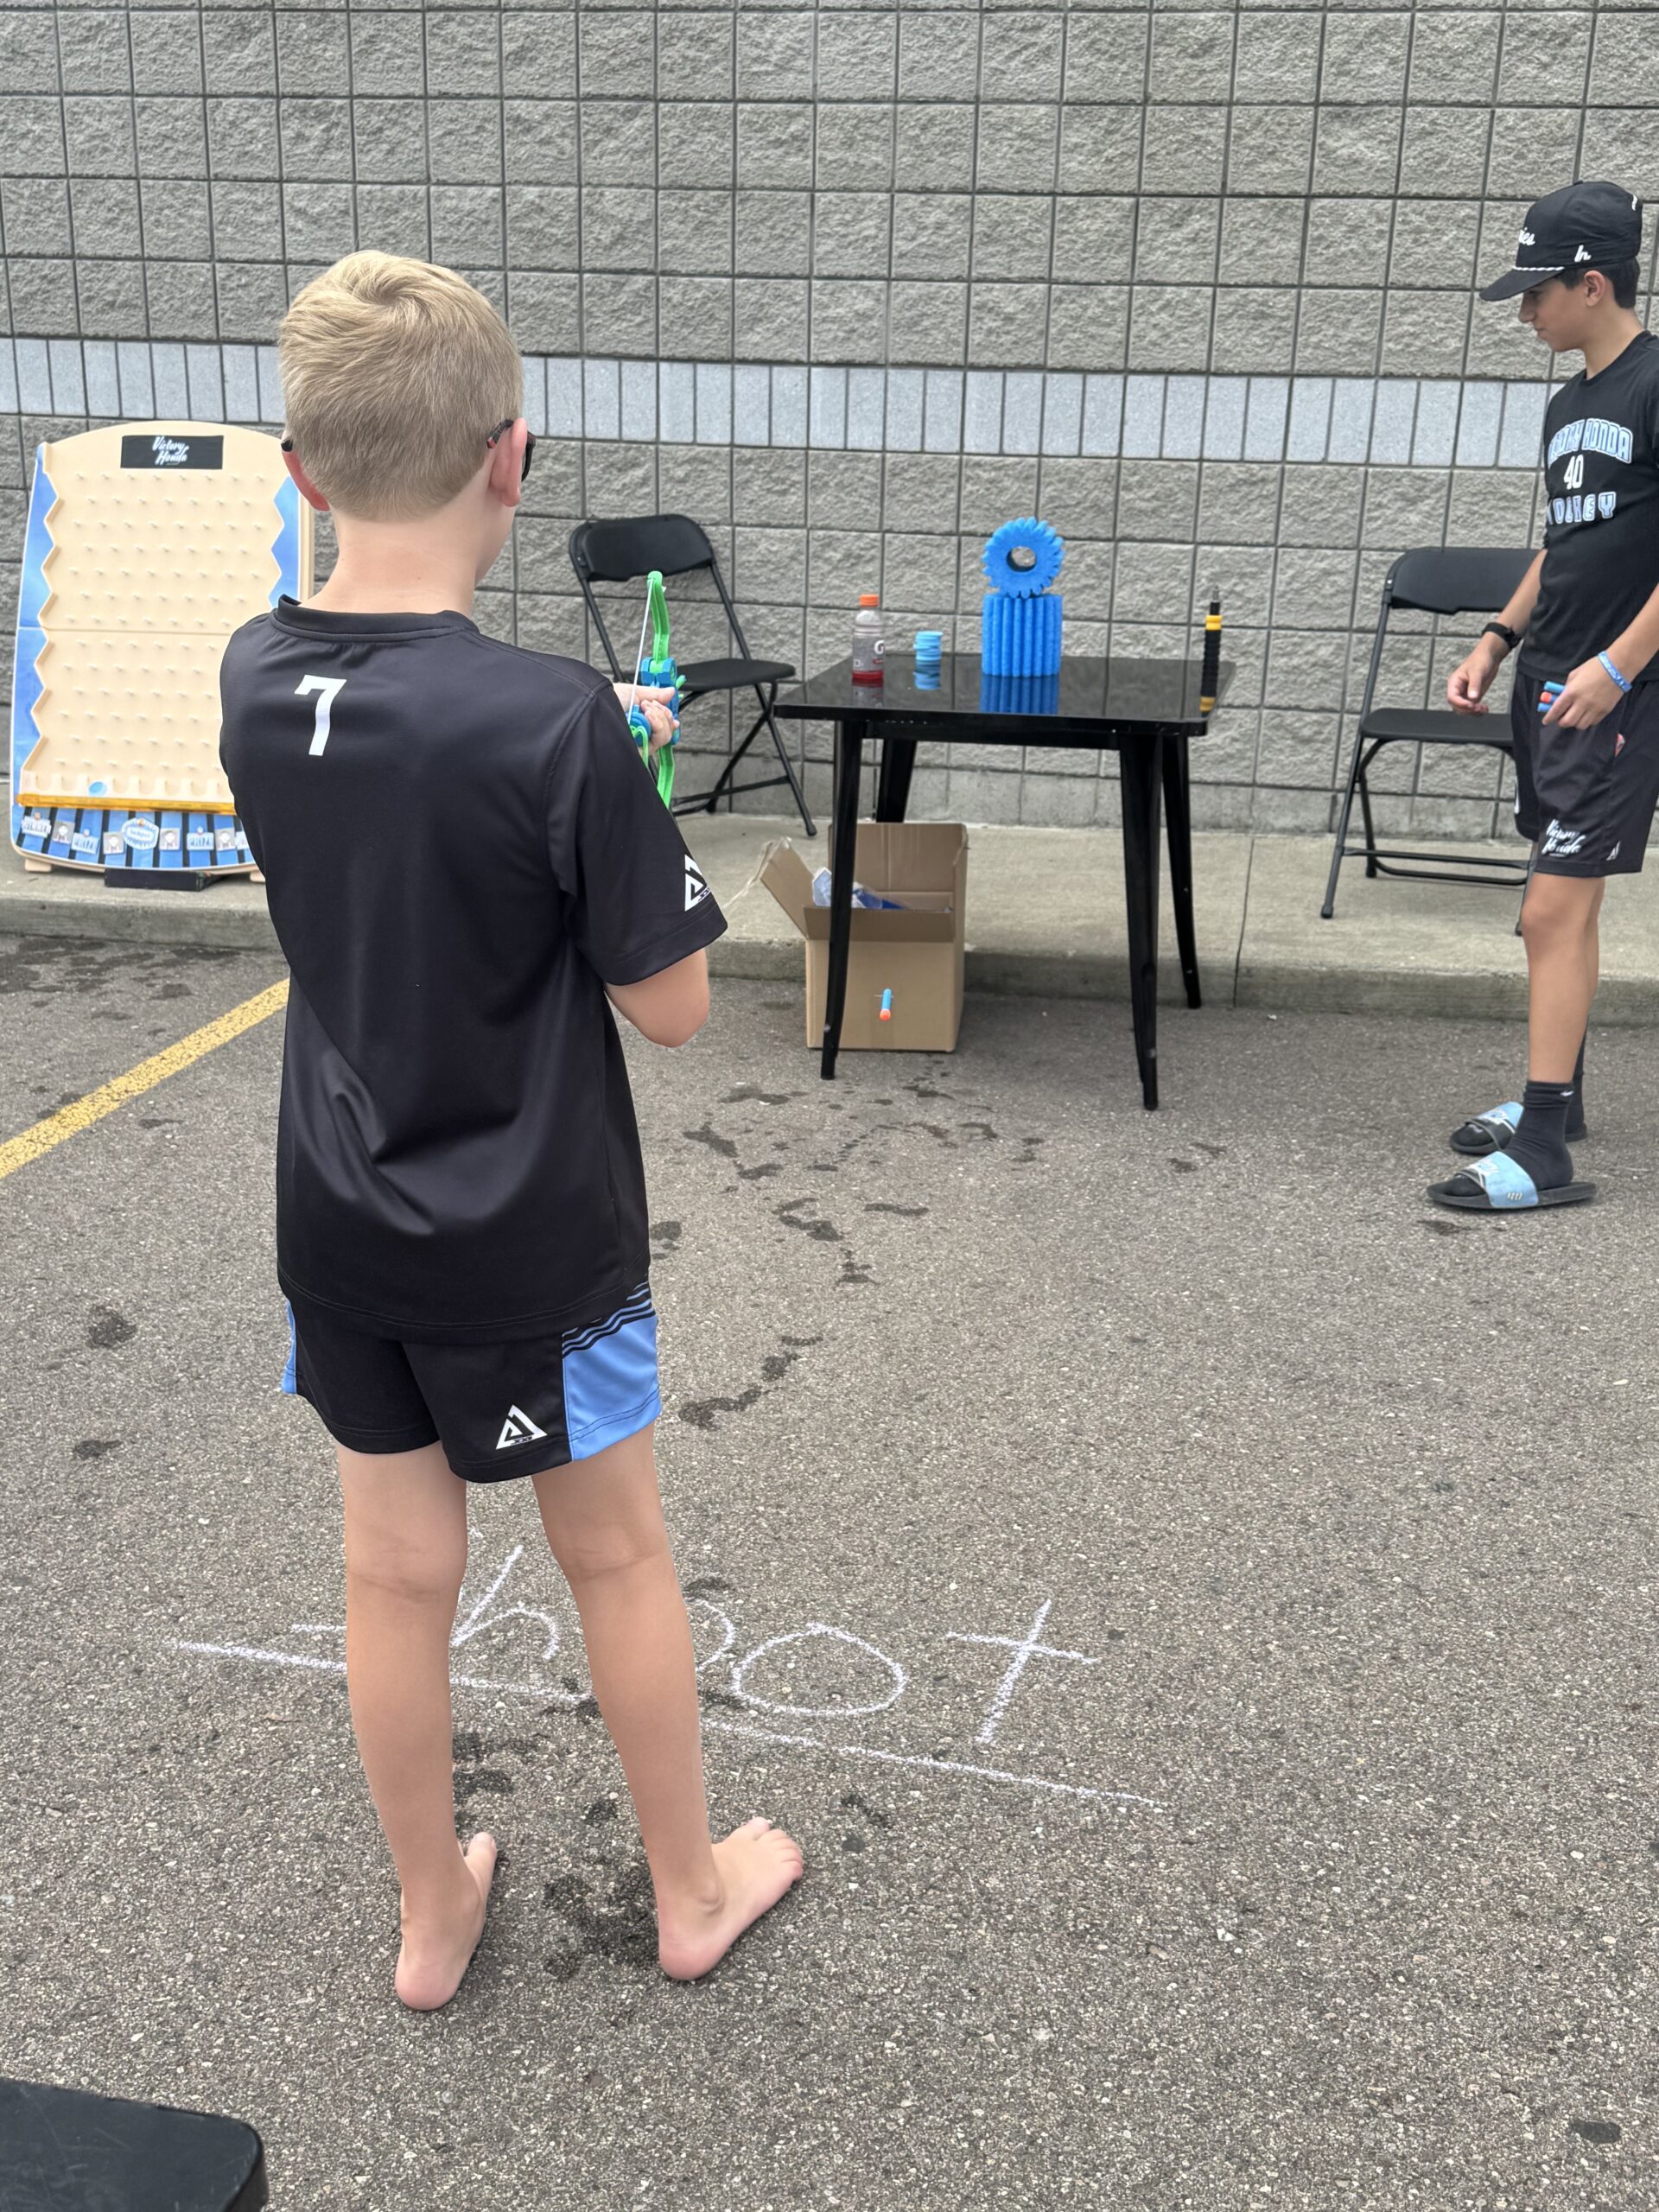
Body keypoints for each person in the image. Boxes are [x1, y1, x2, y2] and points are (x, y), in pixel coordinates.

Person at [219, 252, 803, 2008]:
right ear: (512, 461)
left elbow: (389, 818)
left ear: (303, 471)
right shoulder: (555, 721)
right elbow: (672, 1004)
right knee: (612, 1550)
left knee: (392, 1574)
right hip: (531, 1235)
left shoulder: (254, 674)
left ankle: (428, 1912)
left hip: (341, 1215)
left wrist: (572, 784)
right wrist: (619, 789)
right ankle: (688, 1889)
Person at [1434, 180, 1659, 1212]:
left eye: (1537, 292)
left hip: (1617, 697)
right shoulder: (1571, 404)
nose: (1525, 311)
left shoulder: (1654, 384)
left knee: (1547, 913)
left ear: (1594, 284)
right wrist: (1495, 638)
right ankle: (1556, 1104)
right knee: (1565, 909)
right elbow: (1562, 546)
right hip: (1550, 687)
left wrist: (1619, 668)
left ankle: (1543, 1149)